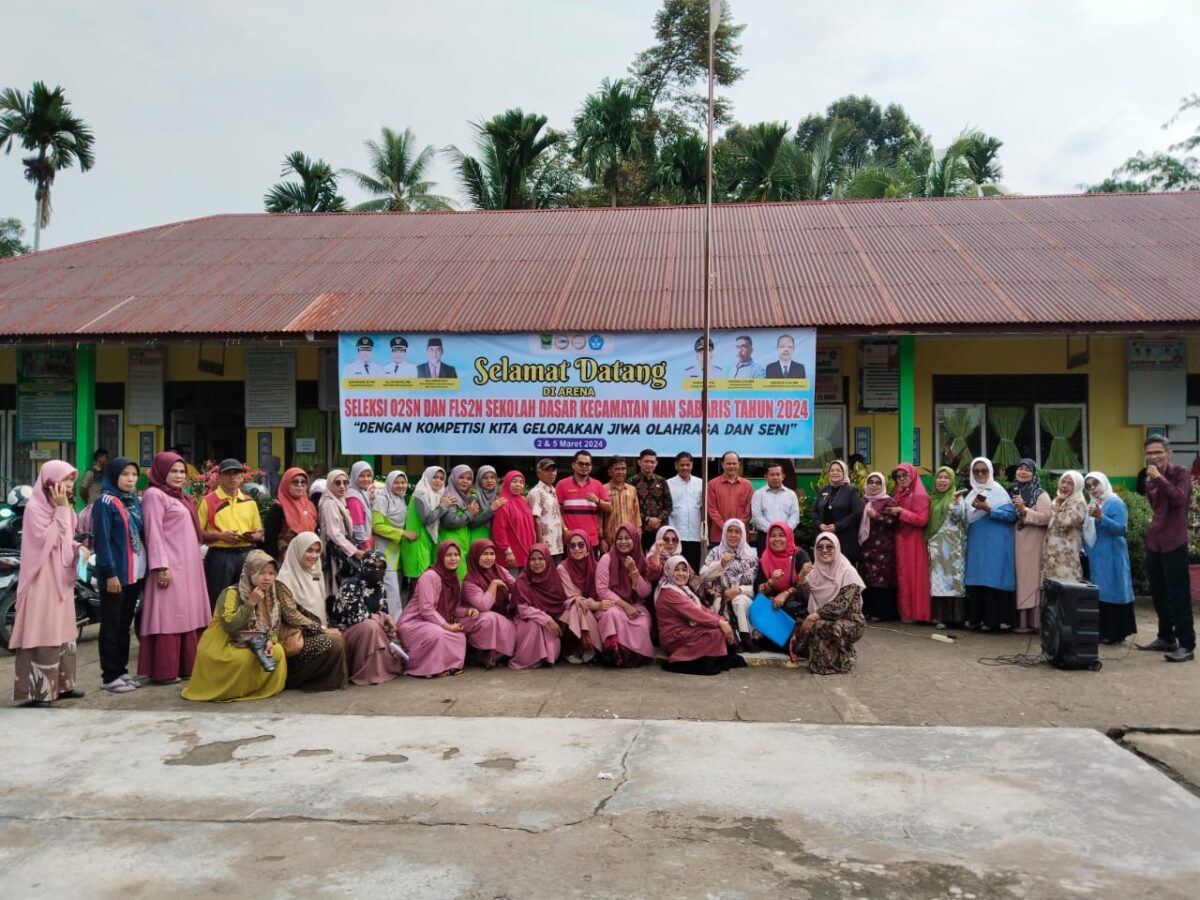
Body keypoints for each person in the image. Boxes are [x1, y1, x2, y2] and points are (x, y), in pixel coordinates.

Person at [9, 461, 85, 707]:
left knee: (64, 630)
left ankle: (62, 685)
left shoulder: (63, 508)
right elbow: (48, 541)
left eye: (72, 480)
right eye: (65, 480)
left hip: (61, 579)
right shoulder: (35, 509)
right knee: (43, 630)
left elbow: (66, 539)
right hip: (41, 579)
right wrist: (62, 510)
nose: (69, 485)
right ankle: (40, 692)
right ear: (49, 481)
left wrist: (78, 547)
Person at [139, 452, 211, 684]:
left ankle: (187, 665)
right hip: (170, 565)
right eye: (173, 471)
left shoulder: (180, 497)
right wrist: (161, 566)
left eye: (182, 471)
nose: (179, 476)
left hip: (188, 565)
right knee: (169, 614)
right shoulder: (155, 495)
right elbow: (153, 532)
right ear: (161, 472)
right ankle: (165, 670)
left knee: (188, 612)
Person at [182, 551, 288, 702]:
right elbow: (229, 625)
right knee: (241, 659)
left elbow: (274, 625)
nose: (267, 578)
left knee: (277, 652)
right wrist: (251, 602)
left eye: (271, 573)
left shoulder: (271, 594)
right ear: (250, 572)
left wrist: (270, 640)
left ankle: (256, 689)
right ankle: (233, 691)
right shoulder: (232, 593)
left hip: (255, 641)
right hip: (224, 641)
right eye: (261, 573)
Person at [92, 456, 147, 694]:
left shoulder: (133, 501)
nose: (130, 479)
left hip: (134, 573)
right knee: (111, 625)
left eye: (133, 474)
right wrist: (110, 574)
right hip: (116, 575)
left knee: (124, 625)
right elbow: (102, 542)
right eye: (125, 474)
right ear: (114, 476)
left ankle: (122, 671)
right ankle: (109, 675)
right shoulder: (105, 502)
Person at [1138, 436, 1195, 662]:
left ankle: (1187, 644)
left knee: (1178, 594)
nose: (1153, 457)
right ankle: (1166, 637)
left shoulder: (1180, 473)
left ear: (1168, 453)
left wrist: (1159, 478)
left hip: (1174, 541)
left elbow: (1178, 500)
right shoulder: (1148, 478)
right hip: (1155, 541)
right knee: (1159, 592)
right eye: (1149, 453)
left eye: (1158, 452)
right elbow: (1155, 506)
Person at [270, 533, 349, 692]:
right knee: (333, 643)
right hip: (298, 636)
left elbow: (320, 607)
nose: (314, 556)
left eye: (317, 551)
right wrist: (322, 629)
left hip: (317, 629)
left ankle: (330, 679)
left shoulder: (315, 572)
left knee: (345, 637)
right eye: (309, 550)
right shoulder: (284, 579)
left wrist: (327, 627)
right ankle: (301, 680)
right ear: (298, 550)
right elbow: (291, 615)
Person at [655, 556, 747, 675]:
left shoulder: (682, 589)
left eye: (684, 570)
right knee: (716, 633)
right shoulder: (669, 592)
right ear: (669, 571)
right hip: (674, 637)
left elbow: (702, 609)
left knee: (721, 628)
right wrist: (720, 623)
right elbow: (695, 613)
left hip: (686, 631)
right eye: (676, 570)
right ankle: (680, 660)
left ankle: (716, 659)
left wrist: (722, 621)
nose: (681, 574)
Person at [792, 533, 866, 674]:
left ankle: (839, 662)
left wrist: (813, 616)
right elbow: (804, 598)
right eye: (820, 547)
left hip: (849, 621)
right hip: (823, 618)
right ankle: (840, 652)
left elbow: (840, 606)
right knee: (800, 645)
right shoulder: (815, 571)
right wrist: (801, 578)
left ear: (836, 548)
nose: (824, 550)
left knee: (820, 626)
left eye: (829, 547)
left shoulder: (848, 572)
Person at [329, 549, 405, 685]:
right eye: (371, 566)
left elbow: (385, 618)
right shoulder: (351, 585)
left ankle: (380, 670)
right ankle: (365, 673)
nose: (376, 570)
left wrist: (395, 641)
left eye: (381, 567)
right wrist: (383, 617)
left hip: (372, 629)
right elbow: (357, 616)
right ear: (363, 565)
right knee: (370, 626)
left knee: (377, 627)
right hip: (346, 632)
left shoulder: (380, 587)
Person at [199, 459, 264, 610]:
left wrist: (252, 536)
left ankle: (244, 626)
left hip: (246, 554)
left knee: (247, 598)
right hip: (220, 556)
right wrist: (220, 536)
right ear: (219, 477)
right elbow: (197, 533)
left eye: (236, 473)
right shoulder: (208, 501)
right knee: (219, 600)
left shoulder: (249, 502)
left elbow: (259, 532)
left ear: (242, 477)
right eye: (227, 473)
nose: (232, 477)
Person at [397, 540, 468, 678]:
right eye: (448, 555)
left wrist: (467, 611)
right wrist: (447, 626)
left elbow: (454, 608)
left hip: (433, 621)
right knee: (438, 634)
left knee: (459, 635)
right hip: (414, 622)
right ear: (441, 556)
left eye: (456, 555)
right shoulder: (430, 576)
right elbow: (426, 609)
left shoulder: (453, 579)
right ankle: (427, 669)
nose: (453, 559)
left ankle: (450, 666)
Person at [963, 458, 1018, 632]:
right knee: (977, 580)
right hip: (976, 543)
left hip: (996, 543)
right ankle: (976, 619)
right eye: (976, 471)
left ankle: (993, 621)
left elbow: (1012, 516)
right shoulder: (971, 494)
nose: (980, 474)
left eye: (984, 471)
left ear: (990, 472)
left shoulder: (998, 491)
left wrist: (988, 509)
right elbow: (965, 518)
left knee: (993, 579)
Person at [1083, 472, 1137, 645]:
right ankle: (1104, 631)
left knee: (1113, 590)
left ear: (1104, 483)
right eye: (1089, 486)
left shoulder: (1115, 503)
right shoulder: (1093, 503)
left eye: (1096, 484)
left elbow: (1121, 529)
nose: (1093, 488)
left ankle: (1115, 632)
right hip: (1098, 554)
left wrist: (1101, 517)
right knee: (1101, 592)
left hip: (1113, 554)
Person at [594, 523, 654, 666]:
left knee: (643, 623)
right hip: (611, 604)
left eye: (627, 538)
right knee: (613, 615)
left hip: (635, 604)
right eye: (619, 538)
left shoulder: (640, 560)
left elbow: (645, 592)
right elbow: (602, 590)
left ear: (635, 540)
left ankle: (632, 658)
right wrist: (625, 606)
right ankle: (615, 656)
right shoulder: (607, 559)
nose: (623, 542)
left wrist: (634, 571)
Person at [699, 518, 759, 649]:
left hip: (744, 596)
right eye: (730, 531)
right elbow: (703, 575)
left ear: (743, 534)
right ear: (724, 533)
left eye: (737, 532)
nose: (733, 535)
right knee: (717, 604)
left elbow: (757, 586)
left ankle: (746, 638)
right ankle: (730, 641)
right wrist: (721, 564)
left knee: (739, 601)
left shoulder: (751, 556)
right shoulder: (716, 552)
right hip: (720, 596)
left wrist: (739, 590)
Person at [754, 521, 813, 651]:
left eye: (781, 535)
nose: (777, 539)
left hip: (797, 605)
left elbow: (809, 588)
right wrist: (771, 582)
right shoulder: (766, 557)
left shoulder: (800, 555)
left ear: (789, 537)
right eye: (773, 536)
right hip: (773, 607)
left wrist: (786, 593)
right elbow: (758, 590)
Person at [1009, 458, 1052, 633]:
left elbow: (1047, 517)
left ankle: (1033, 623)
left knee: (1030, 579)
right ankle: (1018, 621)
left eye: (1027, 469)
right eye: (1020, 468)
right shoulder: (1011, 491)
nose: (1023, 472)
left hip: (1032, 542)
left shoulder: (1040, 494)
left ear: (1034, 474)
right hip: (1014, 542)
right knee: (1018, 580)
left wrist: (1024, 510)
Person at [459, 539, 518, 669]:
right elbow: (483, 606)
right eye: (484, 554)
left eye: (492, 554)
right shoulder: (470, 581)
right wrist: (494, 584)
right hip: (474, 618)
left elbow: (515, 586)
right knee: (490, 618)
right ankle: (484, 653)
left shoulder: (500, 570)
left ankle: (498, 653)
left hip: (500, 614)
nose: (489, 558)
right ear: (475, 556)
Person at [509, 545, 566, 669]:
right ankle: (528, 660)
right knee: (533, 625)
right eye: (533, 559)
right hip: (525, 620)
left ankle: (545, 657)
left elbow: (560, 604)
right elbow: (523, 609)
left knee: (550, 636)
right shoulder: (522, 580)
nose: (537, 563)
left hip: (548, 623)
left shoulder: (553, 578)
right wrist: (546, 619)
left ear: (547, 560)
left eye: (541, 559)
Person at [926, 467, 968, 628]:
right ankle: (941, 617)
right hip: (936, 546)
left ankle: (956, 618)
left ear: (951, 481)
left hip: (953, 548)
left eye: (946, 478)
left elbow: (959, 517)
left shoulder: (956, 497)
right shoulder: (934, 499)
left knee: (954, 580)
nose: (942, 481)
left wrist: (955, 502)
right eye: (939, 477)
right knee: (939, 580)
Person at [889, 462, 931, 624]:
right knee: (903, 576)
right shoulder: (898, 494)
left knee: (915, 576)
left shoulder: (920, 495)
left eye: (904, 475)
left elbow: (922, 520)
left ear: (912, 475)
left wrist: (902, 512)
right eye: (898, 477)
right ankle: (906, 613)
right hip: (901, 539)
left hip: (914, 541)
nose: (901, 479)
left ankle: (918, 613)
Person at [372, 470, 416, 617]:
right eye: (396, 482)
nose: (400, 485)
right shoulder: (382, 499)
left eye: (403, 482)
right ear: (389, 483)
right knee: (392, 594)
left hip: (397, 553)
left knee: (396, 592)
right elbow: (377, 526)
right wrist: (401, 533)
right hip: (385, 552)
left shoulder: (401, 500)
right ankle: (395, 625)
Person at [857, 471, 898, 622]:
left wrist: (876, 516)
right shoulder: (862, 501)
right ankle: (867, 610)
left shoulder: (889, 501)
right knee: (866, 578)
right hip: (865, 546)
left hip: (883, 547)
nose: (874, 485)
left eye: (877, 482)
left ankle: (880, 613)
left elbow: (893, 522)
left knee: (881, 579)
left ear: (882, 485)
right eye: (871, 482)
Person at [557, 529, 602, 663]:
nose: (577, 549)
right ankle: (579, 649)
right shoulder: (562, 568)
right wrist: (589, 603)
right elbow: (573, 596)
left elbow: (601, 593)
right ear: (568, 548)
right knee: (576, 608)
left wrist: (594, 604)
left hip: (593, 606)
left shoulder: (596, 566)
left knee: (581, 607)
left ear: (588, 546)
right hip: (569, 608)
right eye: (572, 545)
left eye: (581, 545)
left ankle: (586, 647)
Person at [401, 466, 452, 584]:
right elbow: (426, 518)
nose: (438, 481)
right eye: (435, 477)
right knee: (420, 584)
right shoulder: (421, 493)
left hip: (426, 542)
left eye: (441, 478)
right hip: (417, 542)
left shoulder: (436, 495)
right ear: (427, 477)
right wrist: (443, 506)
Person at [318, 469, 364, 597]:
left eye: (345, 482)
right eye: (337, 483)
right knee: (337, 586)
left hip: (340, 549)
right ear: (330, 484)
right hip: (335, 551)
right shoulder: (329, 503)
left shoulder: (338, 500)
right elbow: (334, 533)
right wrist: (354, 551)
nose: (342, 486)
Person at [556, 451, 611, 550]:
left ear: (591, 467)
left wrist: (598, 500)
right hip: (571, 539)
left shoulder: (598, 485)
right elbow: (557, 511)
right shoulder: (561, 485)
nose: (584, 467)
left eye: (587, 464)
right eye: (581, 464)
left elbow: (609, 508)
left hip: (592, 539)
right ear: (573, 465)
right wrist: (564, 530)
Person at [812, 460, 864, 563]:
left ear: (844, 472)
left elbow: (856, 513)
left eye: (838, 470)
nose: (834, 473)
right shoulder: (823, 490)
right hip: (825, 538)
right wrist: (819, 525)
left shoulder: (851, 490)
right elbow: (814, 512)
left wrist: (837, 526)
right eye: (832, 470)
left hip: (844, 540)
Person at [262, 467, 316, 562]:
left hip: (308, 558)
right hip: (285, 560)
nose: (299, 485)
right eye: (295, 482)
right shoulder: (278, 508)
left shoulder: (310, 506)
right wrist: (274, 563)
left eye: (303, 482)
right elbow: (270, 539)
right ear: (286, 483)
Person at [1043, 471, 1086, 585]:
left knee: (1067, 586)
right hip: (1051, 552)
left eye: (1070, 483)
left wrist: (1058, 504)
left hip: (1067, 553)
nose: (1065, 486)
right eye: (1063, 482)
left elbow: (1064, 524)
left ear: (1077, 486)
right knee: (1051, 586)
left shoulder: (1078, 503)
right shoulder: (1057, 500)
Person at [491, 470, 536, 572]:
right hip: (510, 555)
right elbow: (499, 530)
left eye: (521, 482)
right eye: (514, 481)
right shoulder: (503, 503)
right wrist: (507, 551)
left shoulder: (523, 501)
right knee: (512, 581)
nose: (518, 485)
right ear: (507, 483)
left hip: (526, 552)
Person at [442, 465, 482, 578]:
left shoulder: (463, 497)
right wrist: (469, 513)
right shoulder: (450, 496)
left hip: (460, 544)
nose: (465, 481)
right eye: (461, 477)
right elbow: (450, 522)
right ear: (454, 478)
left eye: (469, 479)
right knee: (456, 580)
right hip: (451, 545)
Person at [629, 449, 673, 553]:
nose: (649, 464)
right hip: (640, 529)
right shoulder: (632, 482)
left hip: (659, 530)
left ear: (656, 463)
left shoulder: (662, 481)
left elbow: (669, 505)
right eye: (646, 461)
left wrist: (657, 520)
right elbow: (630, 507)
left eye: (652, 462)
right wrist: (647, 520)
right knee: (639, 557)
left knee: (659, 558)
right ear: (639, 462)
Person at [750, 464, 799, 554]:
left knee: (787, 561)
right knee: (765, 562)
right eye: (772, 475)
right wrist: (773, 531)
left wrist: (784, 531)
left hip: (786, 536)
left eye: (778, 474)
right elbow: (757, 517)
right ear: (766, 477)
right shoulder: (758, 494)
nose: (775, 477)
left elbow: (794, 517)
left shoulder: (791, 494)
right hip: (765, 537)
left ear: (783, 476)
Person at [667, 451, 704, 570]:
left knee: (693, 569)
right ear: (676, 465)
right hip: (676, 534)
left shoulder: (700, 483)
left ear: (692, 465)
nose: (685, 468)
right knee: (676, 568)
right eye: (682, 465)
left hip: (695, 534)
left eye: (688, 465)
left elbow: (703, 507)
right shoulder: (668, 484)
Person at [707, 451, 753, 545]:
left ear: (739, 464)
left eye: (734, 463)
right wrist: (726, 527)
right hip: (719, 536)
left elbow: (748, 511)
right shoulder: (712, 484)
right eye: (728, 463)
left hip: (741, 536)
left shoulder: (747, 485)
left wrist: (737, 528)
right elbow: (712, 509)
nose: (731, 466)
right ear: (722, 464)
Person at [527, 458, 564, 562]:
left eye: (553, 470)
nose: (551, 473)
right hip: (545, 545)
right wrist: (540, 545)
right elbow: (536, 520)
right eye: (547, 470)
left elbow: (557, 514)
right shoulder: (536, 492)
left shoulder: (553, 490)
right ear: (539, 473)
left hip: (557, 544)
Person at [601, 456, 641, 552]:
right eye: (617, 469)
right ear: (610, 472)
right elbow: (599, 517)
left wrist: (638, 535)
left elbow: (637, 515)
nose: (621, 472)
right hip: (610, 540)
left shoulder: (632, 490)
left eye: (623, 469)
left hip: (629, 539)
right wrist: (602, 539)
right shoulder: (603, 489)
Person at [345, 461, 376, 550]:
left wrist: (371, 500)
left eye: (369, 476)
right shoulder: (353, 497)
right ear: (354, 476)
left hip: (368, 541)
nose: (366, 479)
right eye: (361, 476)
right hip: (362, 546)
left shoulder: (362, 492)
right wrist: (367, 548)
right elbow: (357, 526)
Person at [470, 465, 503, 545]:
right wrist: (491, 509)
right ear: (479, 480)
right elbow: (472, 523)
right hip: (478, 539)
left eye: (492, 477)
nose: (489, 480)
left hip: (494, 540)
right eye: (485, 478)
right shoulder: (475, 497)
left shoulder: (498, 498)